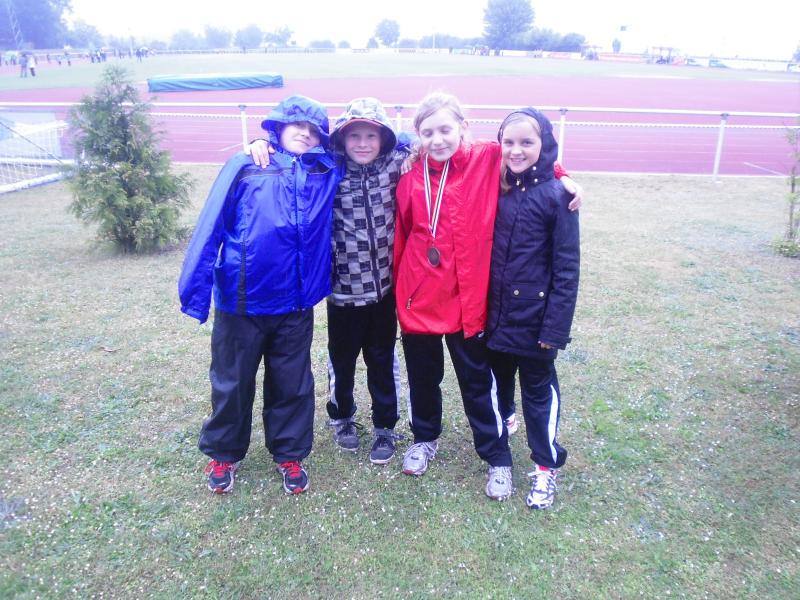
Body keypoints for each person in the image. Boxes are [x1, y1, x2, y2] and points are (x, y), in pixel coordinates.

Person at [393, 92, 579, 501]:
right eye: (428, 133)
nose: (438, 140)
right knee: (423, 379)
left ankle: (497, 457)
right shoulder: (410, 177)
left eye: (446, 129)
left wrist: (563, 175)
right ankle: (424, 438)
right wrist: (401, 294)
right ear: (418, 135)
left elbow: (531, 156)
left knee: (478, 383)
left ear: (463, 127)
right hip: (419, 300)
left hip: (467, 302)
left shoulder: (487, 158)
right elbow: (403, 238)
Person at [178, 95, 340, 496]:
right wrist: (196, 293)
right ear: (277, 128)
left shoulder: (325, 171)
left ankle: (289, 453)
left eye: (314, 130)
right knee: (232, 383)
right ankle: (224, 452)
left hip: (295, 304)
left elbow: (384, 143)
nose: (305, 134)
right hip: (242, 302)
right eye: (297, 125)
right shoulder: (247, 165)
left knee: (292, 384)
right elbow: (211, 224)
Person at [250, 98, 411, 465]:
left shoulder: (397, 163)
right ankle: (342, 417)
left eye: (371, 135)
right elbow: (293, 152)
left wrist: (412, 143)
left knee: (382, 358)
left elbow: (420, 143)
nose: (363, 143)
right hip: (342, 292)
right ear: (341, 139)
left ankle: (385, 425)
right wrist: (263, 143)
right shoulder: (328, 165)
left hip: (385, 290)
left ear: (384, 138)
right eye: (354, 135)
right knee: (342, 359)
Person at [486, 108, 580, 509]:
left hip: (535, 321)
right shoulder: (495, 184)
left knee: (538, 393)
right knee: (497, 382)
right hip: (494, 314)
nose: (516, 150)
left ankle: (545, 465)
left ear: (545, 144)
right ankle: (504, 424)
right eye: (508, 142)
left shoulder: (559, 197)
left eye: (527, 142)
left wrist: (554, 329)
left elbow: (567, 268)